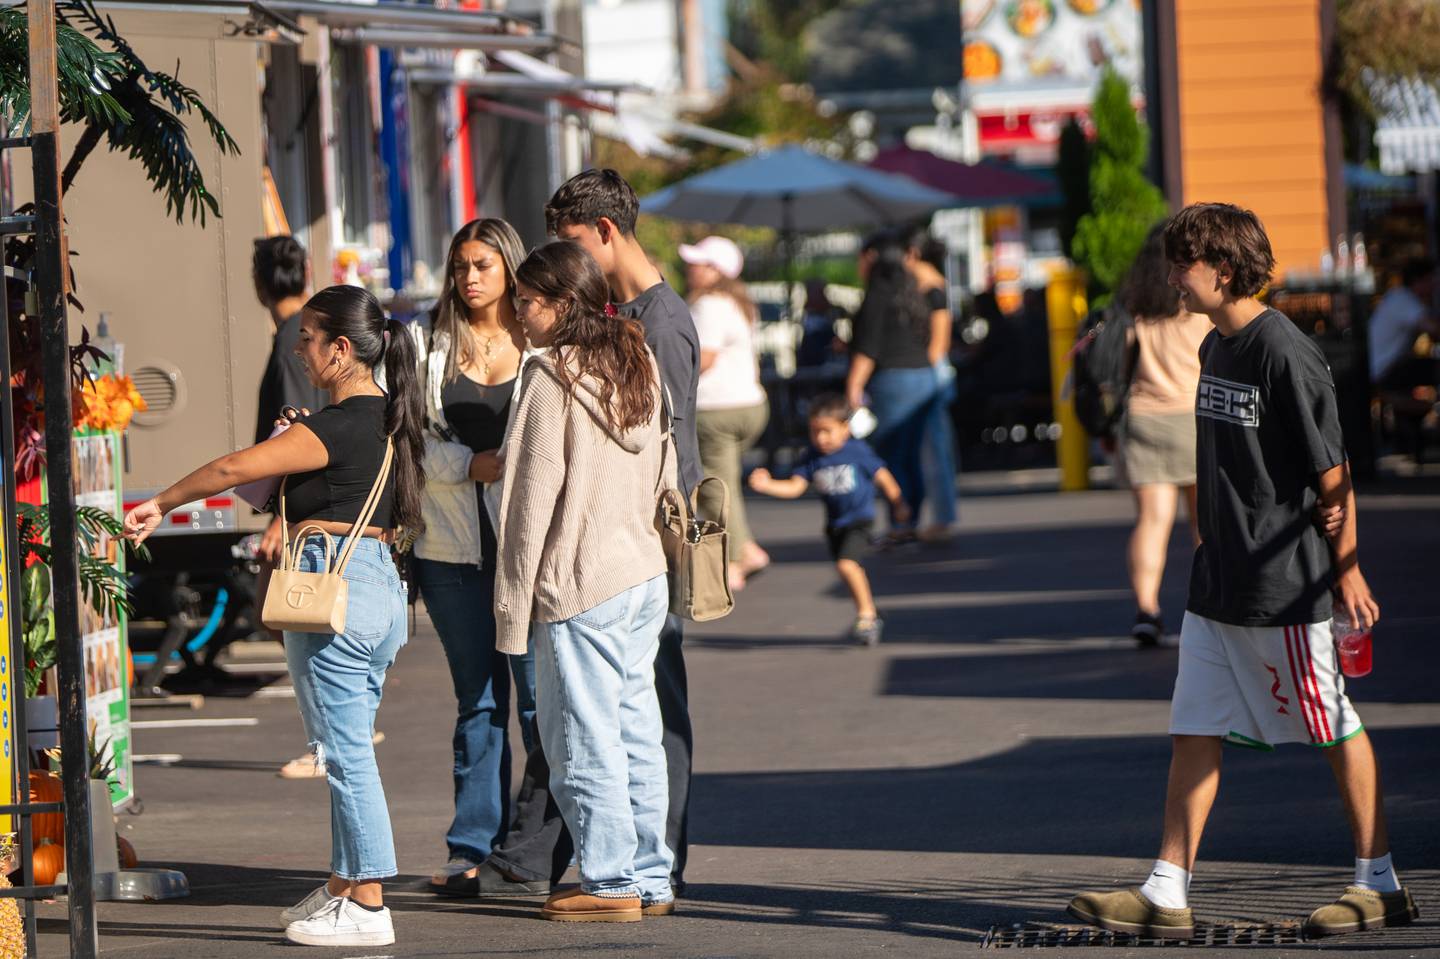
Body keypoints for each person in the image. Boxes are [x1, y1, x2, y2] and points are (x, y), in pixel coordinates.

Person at [1067, 203, 1416, 940]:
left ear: (1223, 270)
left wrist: (1348, 570)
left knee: (1333, 725)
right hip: (1217, 582)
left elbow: (1335, 470)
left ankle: (1379, 881)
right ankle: (1167, 889)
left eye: (1183, 264)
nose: (1172, 277)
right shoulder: (1215, 348)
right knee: (1194, 726)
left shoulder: (1282, 350)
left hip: (1282, 586)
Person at [124, 285, 425, 948]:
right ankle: (347, 883)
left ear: (340, 349)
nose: (300, 349)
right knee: (344, 746)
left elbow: (236, 467)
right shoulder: (386, 420)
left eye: (309, 339)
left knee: (344, 752)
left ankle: (370, 902)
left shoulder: (336, 427)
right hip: (378, 590)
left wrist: (161, 502)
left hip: (334, 589)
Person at [496, 240, 673, 922]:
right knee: (634, 729)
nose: (519, 314)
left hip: (579, 581)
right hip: (639, 570)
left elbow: (525, 503)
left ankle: (609, 880)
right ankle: (650, 875)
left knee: (578, 736)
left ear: (562, 304)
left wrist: (511, 614)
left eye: (528, 301)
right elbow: (663, 464)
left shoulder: (549, 376)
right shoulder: (637, 359)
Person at [546, 168, 699, 895]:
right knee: (639, 702)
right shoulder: (632, 311)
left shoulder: (657, 321)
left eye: (574, 241)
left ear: (606, 231)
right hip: (638, 540)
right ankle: (647, 862)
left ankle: (655, 860)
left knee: (653, 706)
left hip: (648, 539)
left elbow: (668, 445)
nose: (571, 260)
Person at [405, 219, 546, 897]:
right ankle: (471, 846)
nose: (469, 278)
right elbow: (402, 441)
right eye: (460, 266)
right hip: (451, 546)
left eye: (483, 265)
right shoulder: (427, 346)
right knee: (479, 701)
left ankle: (534, 846)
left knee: (537, 705)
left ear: (509, 268)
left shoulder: (542, 341)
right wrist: (468, 463)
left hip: (529, 547)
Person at [1113, 224, 1211, 646]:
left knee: (1152, 521)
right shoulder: (1195, 306)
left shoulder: (1133, 305)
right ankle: (1210, 604)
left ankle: (1147, 609)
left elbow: (1119, 368)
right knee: (1204, 522)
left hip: (1145, 417)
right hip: (1193, 416)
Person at [748, 394, 908, 645]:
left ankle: (867, 615)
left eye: (827, 431)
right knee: (848, 567)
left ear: (845, 428)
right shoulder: (812, 457)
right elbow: (795, 487)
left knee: (847, 565)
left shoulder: (857, 451)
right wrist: (768, 485)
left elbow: (883, 477)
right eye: (815, 432)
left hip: (860, 519)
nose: (821, 438)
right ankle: (868, 611)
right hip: (835, 525)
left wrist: (898, 503)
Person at [680, 234, 770, 592]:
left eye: (698, 263)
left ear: (715, 270)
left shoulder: (709, 304)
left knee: (715, 487)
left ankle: (732, 559)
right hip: (749, 403)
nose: (690, 268)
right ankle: (747, 548)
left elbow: (704, 358)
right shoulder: (738, 301)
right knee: (726, 483)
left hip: (717, 408)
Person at [845, 230, 944, 543]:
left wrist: (853, 385)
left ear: (872, 257)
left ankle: (900, 523)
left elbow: (868, 348)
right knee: (911, 454)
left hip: (893, 380)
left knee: (891, 455)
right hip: (923, 377)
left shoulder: (877, 295)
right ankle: (910, 518)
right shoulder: (912, 289)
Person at [904, 227, 959, 542]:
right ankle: (939, 515)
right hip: (928, 371)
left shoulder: (934, 289)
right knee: (932, 447)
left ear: (913, 253)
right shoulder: (927, 287)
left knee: (934, 448)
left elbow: (939, 342)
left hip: (930, 373)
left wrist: (920, 371)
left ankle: (942, 517)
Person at [1368, 256, 1439, 392]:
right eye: (1431, 280)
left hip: (1385, 369)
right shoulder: (1403, 298)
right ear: (1418, 281)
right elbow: (1433, 328)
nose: (1435, 286)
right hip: (1384, 371)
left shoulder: (1401, 297)